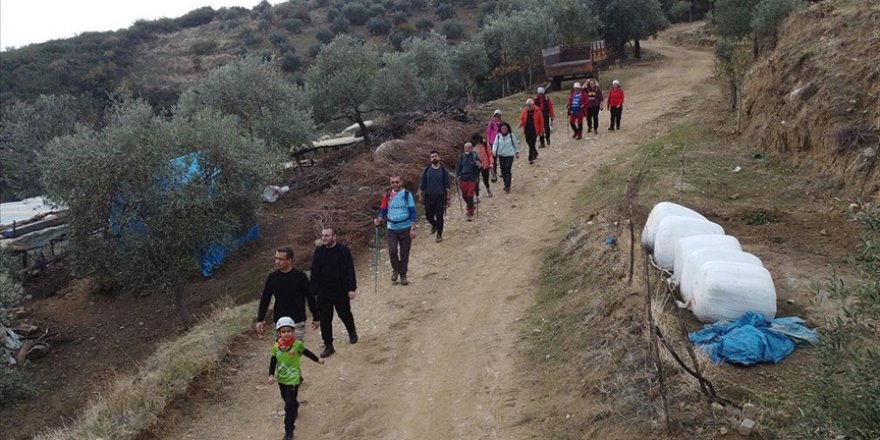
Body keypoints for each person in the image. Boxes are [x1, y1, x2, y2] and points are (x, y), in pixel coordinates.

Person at [268, 316, 324, 440]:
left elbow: (307, 352)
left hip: (293, 379)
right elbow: (273, 361)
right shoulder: (276, 347)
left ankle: (289, 432)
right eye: (283, 331)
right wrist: (271, 375)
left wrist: (317, 360)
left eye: (289, 331)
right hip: (282, 379)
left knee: (288, 407)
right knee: (286, 398)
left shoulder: (297, 345)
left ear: (293, 332)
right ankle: (295, 405)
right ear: (279, 333)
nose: (286, 334)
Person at [310, 227, 358, 358]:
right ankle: (328, 345)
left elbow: (350, 271)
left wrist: (351, 288)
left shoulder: (343, 251)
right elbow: (314, 272)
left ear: (334, 236)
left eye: (327, 235)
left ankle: (351, 330)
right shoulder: (319, 252)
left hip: (340, 291)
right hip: (323, 292)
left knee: (344, 314)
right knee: (325, 320)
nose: (324, 238)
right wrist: (312, 292)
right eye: (323, 236)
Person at [256, 247, 321, 341]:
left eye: (281, 259)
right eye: (276, 258)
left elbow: (310, 298)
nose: (277, 262)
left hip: (297, 321)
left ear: (289, 260)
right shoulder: (272, 277)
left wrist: (316, 317)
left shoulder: (301, 277)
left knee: (294, 351)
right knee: (282, 352)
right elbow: (265, 299)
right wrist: (260, 319)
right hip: (280, 321)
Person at [374, 175, 418, 285]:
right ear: (390, 184)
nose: (395, 184)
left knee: (404, 252)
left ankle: (403, 275)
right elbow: (383, 211)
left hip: (405, 228)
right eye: (392, 182)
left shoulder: (407, 195)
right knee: (392, 251)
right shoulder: (388, 195)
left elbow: (412, 211)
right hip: (392, 228)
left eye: (397, 182)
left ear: (401, 182)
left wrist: (413, 228)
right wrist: (379, 219)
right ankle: (396, 269)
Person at [417, 151, 451, 242]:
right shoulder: (427, 170)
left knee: (440, 217)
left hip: (440, 197)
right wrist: (420, 195)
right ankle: (434, 224)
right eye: (432, 157)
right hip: (428, 197)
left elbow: (447, 186)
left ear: (439, 158)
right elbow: (422, 184)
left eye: (435, 156)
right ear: (430, 159)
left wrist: (448, 198)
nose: (434, 158)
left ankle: (439, 234)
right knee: (429, 216)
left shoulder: (444, 171)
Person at [456, 142, 481, 221]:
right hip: (463, 179)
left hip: (472, 179)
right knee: (464, 196)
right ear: (464, 149)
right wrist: (457, 176)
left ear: (471, 148)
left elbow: (479, 167)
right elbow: (458, 167)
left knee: (470, 196)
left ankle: (469, 212)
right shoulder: (461, 157)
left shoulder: (475, 156)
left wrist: (478, 166)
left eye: (469, 148)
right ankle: (472, 206)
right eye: (466, 148)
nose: (467, 149)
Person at [492, 122, 519, 193]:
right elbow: (495, 144)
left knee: (507, 168)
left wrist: (517, 152)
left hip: (509, 155)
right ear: (500, 129)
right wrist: (494, 151)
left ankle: (508, 186)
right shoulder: (498, 136)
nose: (504, 130)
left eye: (505, 128)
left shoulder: (511, 135)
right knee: (503, 170)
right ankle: (505, 183)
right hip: (501, 155)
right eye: (502, 128)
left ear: (508, 129)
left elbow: (515, 144)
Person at [519, 99, 545, 165]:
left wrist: (541, 131)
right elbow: (522, 118)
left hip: (534, 130)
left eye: (530, 105)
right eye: (527, 105)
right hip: (527, 130)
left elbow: (541, 122)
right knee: (528, 142)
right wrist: (521, 124)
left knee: (532, 144)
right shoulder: (525, 111)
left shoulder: (538, 112)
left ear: (533, 104)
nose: (528, 106)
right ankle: (535, 152)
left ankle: (530, 158)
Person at [472, 132, 494, 199]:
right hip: (476, 167)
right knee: (476, 181)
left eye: (478, 139)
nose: (477, 141)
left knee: (485, 179)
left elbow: (490, 154)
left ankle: (488, 189)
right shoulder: (472, 147)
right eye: (475, 139)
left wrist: (491, 163)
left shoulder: (484, 144)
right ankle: (477, 196)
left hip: (485, 164)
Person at [486, 109, 503, 181]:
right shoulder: (491, 123)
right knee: (494, 159)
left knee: (502, 157)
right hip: (493, 142)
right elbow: (488, 133)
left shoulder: (503, 123)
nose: (497, 117)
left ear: (500, 116)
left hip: (501, 142)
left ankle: (502, 171)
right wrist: (488, 142)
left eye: (498, 115)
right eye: (496, 115)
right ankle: (495, 172)